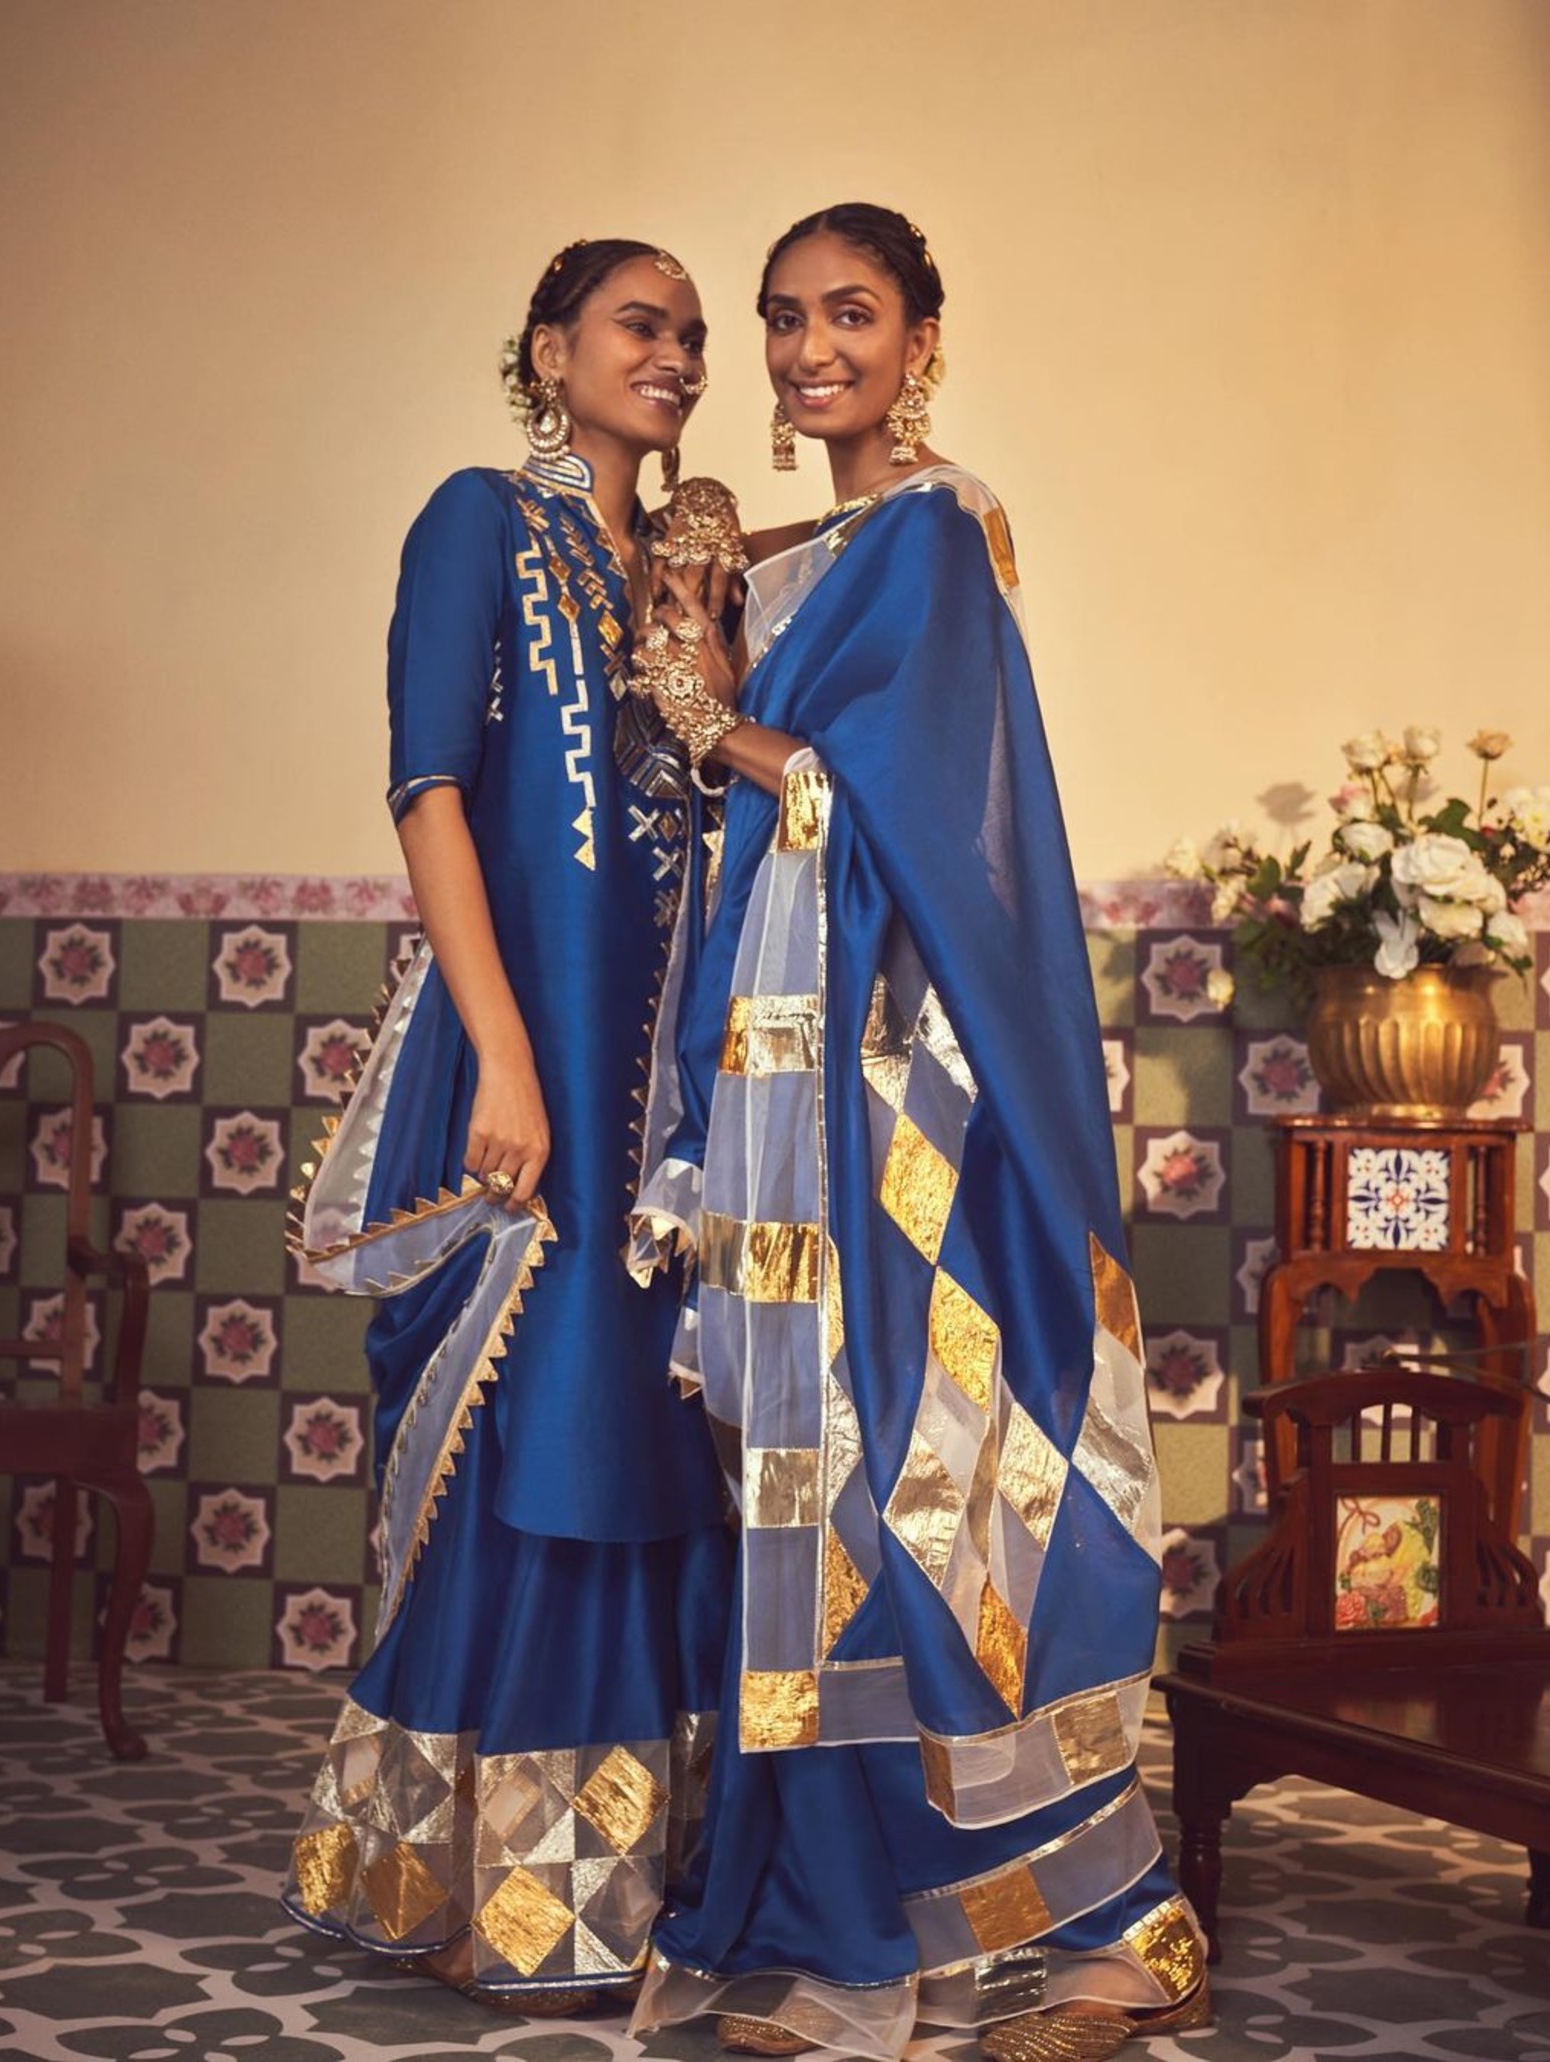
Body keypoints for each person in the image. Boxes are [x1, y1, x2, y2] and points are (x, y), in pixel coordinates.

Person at [626, 205, 1211, 2061]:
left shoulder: (937, 536)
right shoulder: (814, 544)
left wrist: (707, 714)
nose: (809, 352)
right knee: (799, 1493)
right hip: (787, 1109)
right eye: (785, 318)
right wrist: (699, 652)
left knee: (941, 1482)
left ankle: (1108, 1930)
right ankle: (840, 1924)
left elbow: (876, 816)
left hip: (907, 1114)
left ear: (922, 337)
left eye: (850, 316)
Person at [280, 238, 741, 2013]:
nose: (682, 357)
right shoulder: (476, 518)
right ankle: (493, 1884)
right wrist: (502, 1052)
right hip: (530, 1071)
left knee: (647, 1433)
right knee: (537, 1432)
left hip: (672, 1095)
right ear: (549, 353)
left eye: (697, 336)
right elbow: (429, 787)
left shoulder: (677, 577)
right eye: (645, 325)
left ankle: (634, 1881)